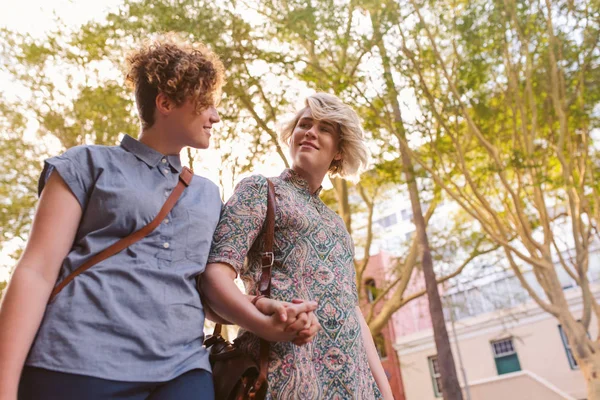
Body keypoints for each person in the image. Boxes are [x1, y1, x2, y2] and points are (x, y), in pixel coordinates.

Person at [0, 34, 317, 400]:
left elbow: (209, 295)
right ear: (165, 103)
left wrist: (268, 315)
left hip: (181, 370)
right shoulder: (85, 164)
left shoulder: (208, 194)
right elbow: (36, 271)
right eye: (205, 104)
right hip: (77, 361)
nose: (215, 116)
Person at [202, 92, 395, 399]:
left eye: (325, 128)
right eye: (305, 124)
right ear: (291, 136)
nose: (311, 132)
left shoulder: (338, 225)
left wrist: (385, 392)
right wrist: (263, 325)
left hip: (355, 387)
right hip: (283, 376)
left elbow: (353, 311)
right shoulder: (260, 190)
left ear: (339, 151)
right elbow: (214, 279)